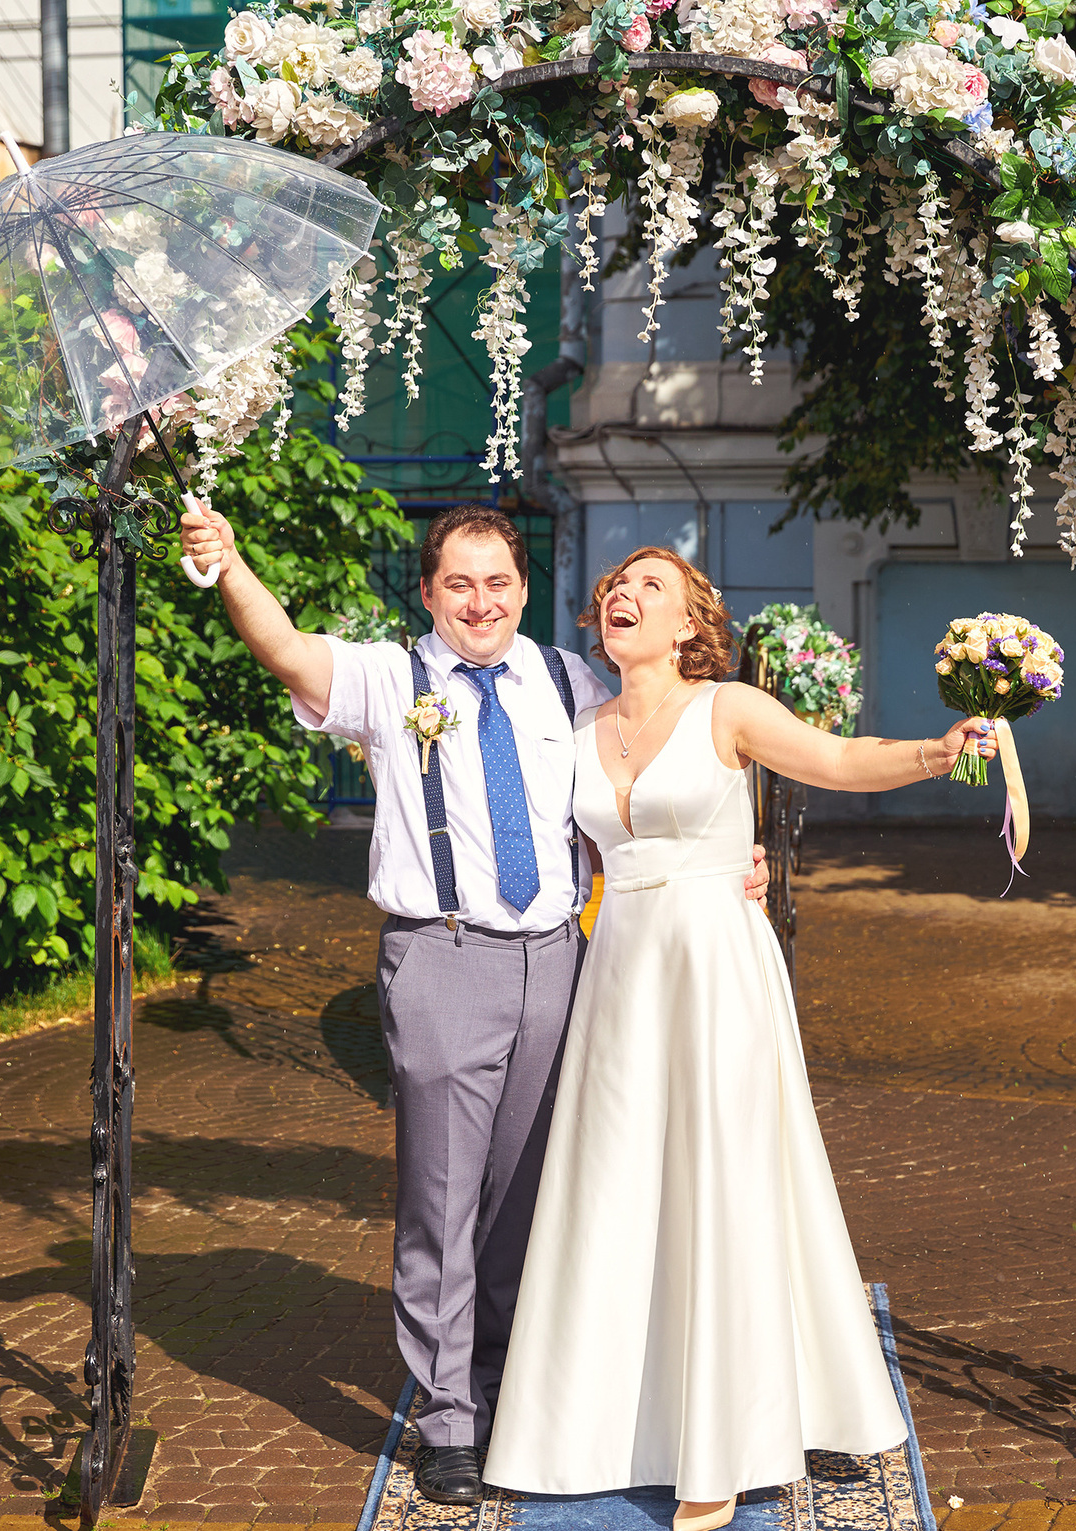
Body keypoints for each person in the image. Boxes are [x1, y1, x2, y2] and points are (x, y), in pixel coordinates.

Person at [173, 503, 765, 1507]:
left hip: (563, 961)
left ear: (524, 592)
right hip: (442, 959)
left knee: (529, 1192)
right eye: (459, 584)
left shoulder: (567, 680)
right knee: (441, 1199)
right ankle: (448, 1415)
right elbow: (279, 646)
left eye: (497, 583)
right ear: (429, 592)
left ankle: (512, 1382)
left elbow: (654, 762)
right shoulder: (384, 678)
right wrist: (226, 564)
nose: (480, 602)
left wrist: (724, 859)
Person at [483, 546, 994, 1531]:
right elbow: (565, 859)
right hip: (620, 973)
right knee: (617, 1187)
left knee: (720, 1183)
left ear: (688, 625)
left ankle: (717, 1448)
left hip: (714, 967)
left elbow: (839, 760)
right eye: (612, 589)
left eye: (649, 588)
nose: (621, 596)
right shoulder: (582, 730)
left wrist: (936, 750)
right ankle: (595, 1418)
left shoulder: (728, 708)